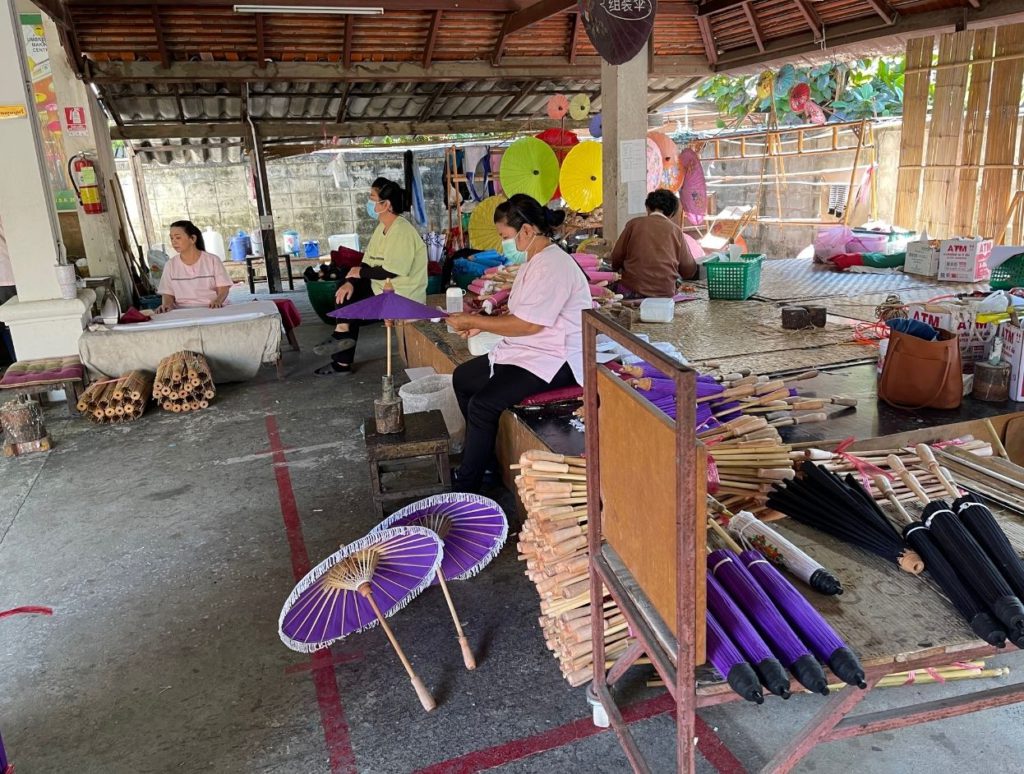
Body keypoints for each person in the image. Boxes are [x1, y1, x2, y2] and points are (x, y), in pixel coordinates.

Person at [446, 194, 591, 492]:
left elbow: (529, 324)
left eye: (506, 236)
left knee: (483, 405)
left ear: (526, 230)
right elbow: (521, 314)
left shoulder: (555, 265)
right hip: (527, 350)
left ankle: (470, 485)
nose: (504, 244)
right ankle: (482, 461)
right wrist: (482, 324)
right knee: (462, 378)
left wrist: (474, 322)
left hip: (555, 358)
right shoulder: (532, 262)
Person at [314, 177, 427, 376]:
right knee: (346, 289)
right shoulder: (382, 227)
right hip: (381, 286)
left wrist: (360, 273)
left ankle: (341, 342)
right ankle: (341, 338)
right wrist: (351, 280)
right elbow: (366, 261)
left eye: (372, 198)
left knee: (352, 301)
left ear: (386, 204)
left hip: (401, 293)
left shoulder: (402, 230)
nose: (369, 202)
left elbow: (392, 270)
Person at [609, 189, 698, 298]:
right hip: (666, 293)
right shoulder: (676, 231)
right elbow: (688, 269)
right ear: (671, 213)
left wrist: (618, 268)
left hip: (632, 291)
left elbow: (616, 256)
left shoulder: (634, 224)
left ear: (647, 208)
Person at [156, 220, 233, 312]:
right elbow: (168, 293)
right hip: (182, 311)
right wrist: (167, 305)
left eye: (178, 238)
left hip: (212, 309)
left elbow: (223, 288)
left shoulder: (213, 260)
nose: (174, 242)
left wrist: (217, 301)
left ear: (192, 239)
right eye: (171, 238)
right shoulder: (170, 265)